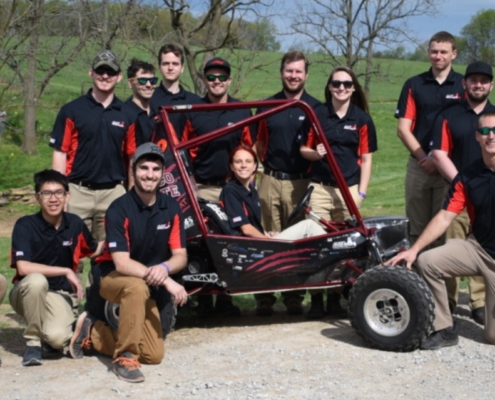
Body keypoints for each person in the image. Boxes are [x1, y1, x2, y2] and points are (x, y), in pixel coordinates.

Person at [69, 143, 188, 383]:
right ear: (133, 170)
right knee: (135, 286)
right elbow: (122, 264)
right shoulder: (119, 208)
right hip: (111, 276)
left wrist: (164, 268)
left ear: (162, 173)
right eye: (144, 168)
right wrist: (167, 280)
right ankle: (124, 357)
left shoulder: (172, 207)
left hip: (150, 280)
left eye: (156, 168)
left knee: (153, 355)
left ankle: (93, 332)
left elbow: (181, 256)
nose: (150, 174)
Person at [388, 111, 495, 350]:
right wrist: (414, 250)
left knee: (493, 336)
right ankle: (445, 328)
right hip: (478, 249)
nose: (491, 136)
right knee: (428, 261)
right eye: (486, 131)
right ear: (477, 136)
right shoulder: (468, 176)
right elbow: (446, 215)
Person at [300, 66, 377, 319]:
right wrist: (315, 153)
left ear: (353, 87)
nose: (341, 88)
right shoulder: (316, 113)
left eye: (346, 84)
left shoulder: (362, 119)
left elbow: (366, 159)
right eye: (336, 84)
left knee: (343, 244)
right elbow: (304, 150)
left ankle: (335, 297)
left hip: (349, 189)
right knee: (316, 244)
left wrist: (362, 193)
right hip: (320, 187)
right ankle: (316, 298)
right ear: (329, 87)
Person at [50, 50, 133, 276]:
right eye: (100, 71)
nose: (105, 76)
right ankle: (68, 306)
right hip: (77, 191)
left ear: (119, 77)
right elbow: (60, 153)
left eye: (111, 72)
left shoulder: (128, 114)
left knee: (110, 255)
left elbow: (133, 159)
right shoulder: (71, 110)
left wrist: (133, 197)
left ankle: (100, 307)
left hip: (114, 193)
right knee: (72, 252)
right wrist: (59, 193)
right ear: (91, 73)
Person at [182, 57, 253, 317]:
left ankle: (227, 299)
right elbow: (184, 151)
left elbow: (248, 148)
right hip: (200, 187)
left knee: (232, 241)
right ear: (204, 80)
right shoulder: (192, 109)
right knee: (202, 243)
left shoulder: (242, 110)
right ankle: (202, 300)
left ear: (229, 80)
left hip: (231, 188)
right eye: (211, 77)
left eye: (221, 77)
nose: (216, 82)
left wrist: (245, 185)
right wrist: (189, 186)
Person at [8, 169, 102, 367]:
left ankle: (52, 337)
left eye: (59, 192)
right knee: (36, 280)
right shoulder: (25, 225)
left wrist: (119, 240)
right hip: (26, 292)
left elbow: (93, 250)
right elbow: (24, 268)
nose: (53, 199)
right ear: (37, 198)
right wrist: (66, 271)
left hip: (58, 294)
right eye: (47, 193)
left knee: (58, 339)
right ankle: (33, 343)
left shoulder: (75, 224)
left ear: (67, 196)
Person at [254, 51, 321, 316]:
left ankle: (294, 297)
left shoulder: (315, 107)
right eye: (289, 71)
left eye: (298, 71)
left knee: (297, 241)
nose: (293, 76)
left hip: (302, 183)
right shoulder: (266, 105)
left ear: (306, 75)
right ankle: (265, 298)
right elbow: (259, 142)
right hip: (270, 179)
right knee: (267, 239)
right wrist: (264, 169)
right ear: (281, 72)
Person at [431, 61, 495, 325]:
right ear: (464, 83)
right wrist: (460, 180)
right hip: (460, 187)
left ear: (490, 85)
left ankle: (479, 302)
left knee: (484, 245)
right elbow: (439, 152)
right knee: (455, 245)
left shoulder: (494, 116)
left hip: (489, 192)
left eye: (483, 80)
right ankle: (450, 300)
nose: (478, 84)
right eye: (473, 80)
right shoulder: (449, 114)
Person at [395, 31, 464, 250]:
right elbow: (403, 129)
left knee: (447, 232)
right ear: (428, 53)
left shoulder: (464, 86)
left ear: (454, 54)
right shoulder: (414, 84)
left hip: (451, 166)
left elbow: (468, 126)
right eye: (434, 51)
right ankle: (416, 283)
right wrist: (425, 157)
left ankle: (443, 285)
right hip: (419, 165)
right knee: (416, 230)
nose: (438, 56)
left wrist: (439, 158)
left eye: (443, 52)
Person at [220, 145, 326, 240]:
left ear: (254, 166)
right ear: (232, 167)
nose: (243, 165)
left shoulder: (252, 191)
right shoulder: (231, 190)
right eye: (238, 162)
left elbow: (255, 226)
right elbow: (246, 229)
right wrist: (268, 240)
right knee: (309, 226)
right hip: (250, 246)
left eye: (248, 161)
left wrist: (268, 235)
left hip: (260, 241)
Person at [150, 43, 201, 140]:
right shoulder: (148, 98)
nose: (170, 68)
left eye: (175, 63)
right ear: (159, 67)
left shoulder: (195, 101)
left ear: (182, 68)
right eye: (166, 63)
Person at [123, 58, 158, 188]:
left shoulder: (158, 113)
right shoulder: (123, 114)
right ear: (130, 83)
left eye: (152, 81)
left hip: (154, 179)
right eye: (142, 80)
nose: (148, 85)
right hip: (129, 182)